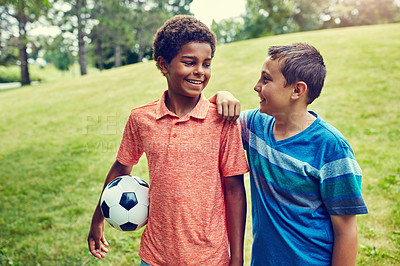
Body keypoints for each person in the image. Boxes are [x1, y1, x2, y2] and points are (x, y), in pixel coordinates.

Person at [87, 15, 249, 266]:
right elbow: (121, 169)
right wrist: (98, 217)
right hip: (155, 256)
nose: (200, 71)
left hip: (210, 257)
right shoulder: (141, 118)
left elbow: (235, 189)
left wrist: (237, 258)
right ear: (163, 65)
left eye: (207, 64)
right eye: (189, 62)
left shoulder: (223, 120)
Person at [214, 43, 368, 265]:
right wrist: (222, 94)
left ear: (297, 90)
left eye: (266, 79)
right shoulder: (254, 126)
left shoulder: (332, 149)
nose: (256, 86)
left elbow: (346, 231)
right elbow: (219, 120)